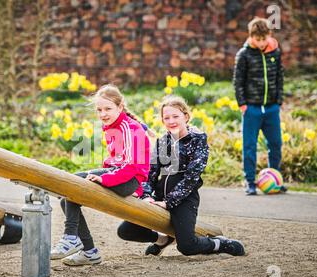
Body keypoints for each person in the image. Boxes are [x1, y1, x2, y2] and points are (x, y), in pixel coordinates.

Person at [117, 96, 245, 257]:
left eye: (175, 116)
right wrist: (147, 197)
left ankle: (220, 243)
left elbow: (192, 177)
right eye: (166, 118)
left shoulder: (197, 139)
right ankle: (163, 240)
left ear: (186, 116)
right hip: (158, 197)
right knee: (125, 231)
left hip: (184, 199)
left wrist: (168, 202)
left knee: (187, 246)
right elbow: (149, 174)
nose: (171, 121)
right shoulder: (162, 142)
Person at [51, 84, 150, 266]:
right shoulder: (112, 126)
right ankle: (89, 252)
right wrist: (105, 170)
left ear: (120, 107)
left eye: (107, 109)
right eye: (99, 110)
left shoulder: (130, 128)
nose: (103, 114)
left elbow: (131, 166)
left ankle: (71, 238)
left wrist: (104, 178)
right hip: (119, 174)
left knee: (73, 185)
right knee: (68, 193)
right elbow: (117, 158)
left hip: (130, 180)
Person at [233, 17, 287, 195]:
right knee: (249, 146)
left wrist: (278, 101)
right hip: (252, 109)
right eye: (258, 39)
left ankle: (275, 178)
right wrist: (243, 104)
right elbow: (238, 81)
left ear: (269, 35)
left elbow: (280, 77)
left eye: (264, 39)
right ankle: (250, 182)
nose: (262, 43)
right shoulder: (244, 54)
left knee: (275, 144)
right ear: (251, 37)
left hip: (271, 108)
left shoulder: (275, 52)